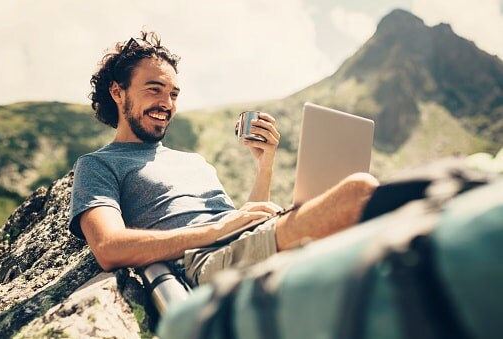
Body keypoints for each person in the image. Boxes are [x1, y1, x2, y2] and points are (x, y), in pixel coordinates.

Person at [69, 31, 379, 287]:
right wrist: (218, 231)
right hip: (206, 261)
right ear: (117, 92)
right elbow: (109, 248)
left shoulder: (195, 163)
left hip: (241, 245)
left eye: (174, 94)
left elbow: (243, 219)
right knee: (360, 193)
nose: (167, 103)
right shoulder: (98, 164)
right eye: (154, 90)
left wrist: (264, 164)